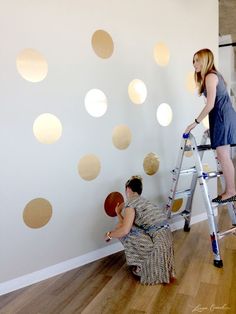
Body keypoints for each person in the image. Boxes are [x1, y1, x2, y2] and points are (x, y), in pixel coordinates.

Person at [185, 48, 236, 203]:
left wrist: (195, 123)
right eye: (193, 61)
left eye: (197, 60)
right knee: (224, 155)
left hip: (222, 117)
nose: (194, 64)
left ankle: (231, 190)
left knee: (223, 156)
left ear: (205, 60)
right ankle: (231, 190)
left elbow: (211, 105)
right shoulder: (214, 76)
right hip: (222, 117)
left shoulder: (210, 76)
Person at [104, 176, 175, 285]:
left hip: (158, 244)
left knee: (120, 228)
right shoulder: (143, 201)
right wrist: (118, 213)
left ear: (128, 189)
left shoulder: (131, 202)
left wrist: (109, 234)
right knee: (123, 227)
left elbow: (125, 230)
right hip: (166, 240)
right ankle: (155, 265)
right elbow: (128, 225)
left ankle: (143, 266)